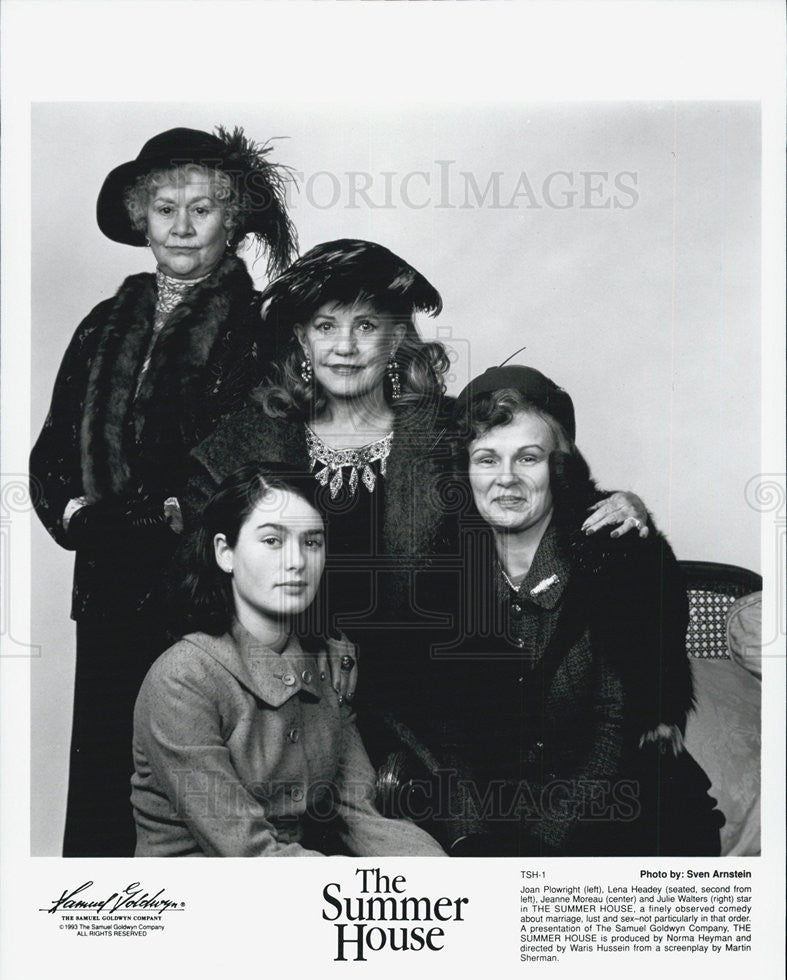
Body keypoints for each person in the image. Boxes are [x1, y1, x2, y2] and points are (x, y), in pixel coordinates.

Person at [184, 240, 648, 754]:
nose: (344, 347)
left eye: (365, 326)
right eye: (325, 326)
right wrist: (311, 639)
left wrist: (622, 505)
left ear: (396, 337)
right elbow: (202, 579)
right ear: (301, 340)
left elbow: (536, 499)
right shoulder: (244, 444)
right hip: (288, 693)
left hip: (437, 698)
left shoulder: (452, 432)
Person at [29, 125, 297, 856]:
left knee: (201, 780)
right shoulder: (99, 327)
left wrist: (163, 515)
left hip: (204, 592)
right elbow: (50, 457)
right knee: (108, 779)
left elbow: (258, 455)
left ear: (232, 218)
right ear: (141, 219)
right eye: (165, 208)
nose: (182, 226)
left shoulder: (260, 328)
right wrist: (81, 517)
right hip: (109, 587)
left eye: (202, 208)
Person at [429, 365, 723, 856]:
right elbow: (441, 726)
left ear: (558, 467)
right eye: (486, 459)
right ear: (464, 470)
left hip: (627, 816)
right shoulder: (445, 570)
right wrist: (471, 839)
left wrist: (537, 853)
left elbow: (614, 727)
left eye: (528, 458)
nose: (506, 479)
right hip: (501, 819)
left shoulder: (612, 558)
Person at [132, 463, 445, 857]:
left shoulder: (324, 668)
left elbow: (365, 815)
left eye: (312, 542)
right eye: (273, 541)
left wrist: (446, 879)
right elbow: (248, 851)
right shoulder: (182, 679)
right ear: (224, 553)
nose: (297, 561)